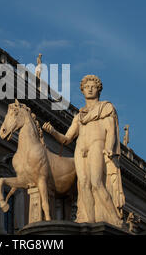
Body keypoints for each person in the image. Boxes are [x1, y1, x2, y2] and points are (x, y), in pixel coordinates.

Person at [42, 74, 125, 226]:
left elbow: (111, 130)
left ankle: (115, 220)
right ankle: (90, 222)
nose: (90, 89)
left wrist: (108, 148)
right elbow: (67, 139)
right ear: (82, 90)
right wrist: (53, 132)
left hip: (97, 146)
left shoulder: (105, 108)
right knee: (84, 184)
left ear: (98, 90)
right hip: (80, 149)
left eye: (93, 86)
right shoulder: (79, 116)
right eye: (87, 87)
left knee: (96, 183)